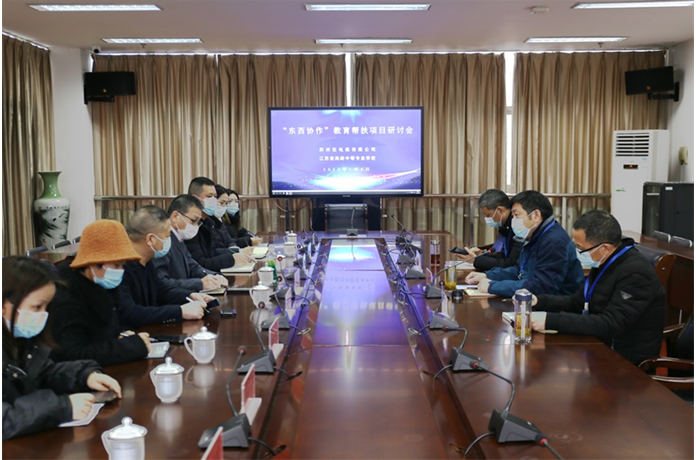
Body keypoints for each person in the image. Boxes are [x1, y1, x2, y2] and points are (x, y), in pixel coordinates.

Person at [3, 257, 122, 440]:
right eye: (37, 307)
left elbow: (43, 372)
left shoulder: (19, 339)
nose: (42, 315)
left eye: (46, 307)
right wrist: (64, 407)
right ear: (4, 305)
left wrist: (85, 375)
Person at [531, 210, 665, 365]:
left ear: (604, 248)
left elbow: (610, 323)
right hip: (597, 345)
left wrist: (549, 321)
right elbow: (577, 302)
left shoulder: (637, 273)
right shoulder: (603, 261)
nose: (578, 253)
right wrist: (538, 301)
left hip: (623, 360)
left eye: (580, 248)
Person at [50, 220, 151, 366]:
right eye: (116, 265)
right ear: (94, 263)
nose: (121, 271)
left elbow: (107, 330)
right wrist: (129, 347)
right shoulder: (66, 297)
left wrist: (122, 334)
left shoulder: (101, 285)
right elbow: (73, 353)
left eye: (122, 266)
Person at [465, 190, 584, 297]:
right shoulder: (533, 234)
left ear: (536, 215)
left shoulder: (554, 241)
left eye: (516, 215)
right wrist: (488, 276)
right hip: (535, 301)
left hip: (556, 307)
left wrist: (493, 286)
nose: (513, 220)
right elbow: (519, 270)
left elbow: (542, 287)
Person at [118, 205, 213, 329]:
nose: (169, 241)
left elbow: (161, 290)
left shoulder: (146, 260)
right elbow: (130, 313)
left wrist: (190, 296)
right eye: (167, 236)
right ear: (150, 239)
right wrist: (180, 311)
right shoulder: (119, 267)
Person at [152, 194, 229, 292]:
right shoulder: (162, 241)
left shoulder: (178, 237)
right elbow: (161, 283)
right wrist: (200, 284)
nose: (195, 226)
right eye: (193, 221)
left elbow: (192, 265)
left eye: (198, 222)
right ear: (175, 216)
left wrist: (214, 276)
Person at [185, 177, 253, 271]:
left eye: (215, 196)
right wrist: (232, 259)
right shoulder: (189, 226)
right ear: (195, 198)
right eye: (209, 196)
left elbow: (213, 252)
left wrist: (237, 253)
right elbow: (200, 263)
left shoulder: (209, 222)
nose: (213, 200)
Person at [457, 189, 522, 270]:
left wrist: (476, 260)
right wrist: (481, 255)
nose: (487, 219)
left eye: (488, 215)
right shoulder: (505, 226)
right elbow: (503, 255)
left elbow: (510, 263)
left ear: (500, 210)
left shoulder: (518, 227)